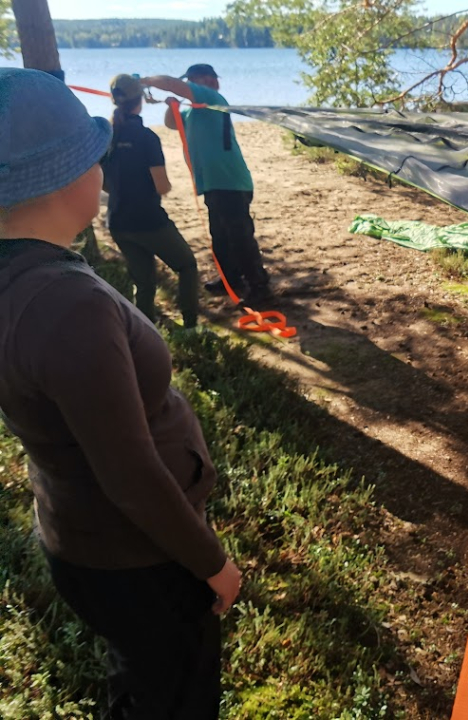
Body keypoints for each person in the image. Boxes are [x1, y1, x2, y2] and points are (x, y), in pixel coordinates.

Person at [0, 68, 241, 718]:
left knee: (140, 683)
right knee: (175, 696)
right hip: (138, 559)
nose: (102, 172)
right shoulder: (65, 306)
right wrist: (211, 562)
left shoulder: (25, 273)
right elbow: (130, 475)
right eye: (94, 159)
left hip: (85, 540)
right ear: (64, 179)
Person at [139, 64, 272, 306]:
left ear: (208, 81)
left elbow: (172, 84)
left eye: (192, 80)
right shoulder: (194, 111)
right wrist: (172, 105)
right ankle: (230, 279)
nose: (188, 85)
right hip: (213, 183)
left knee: (240, 237)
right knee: (220, 237)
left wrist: (145, 81)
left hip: (230, 181)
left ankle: (259, 286)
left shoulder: (212, 99)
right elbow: (171, 123)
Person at [101, 73, 200, 329]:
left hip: (117, 220)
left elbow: (103, 184)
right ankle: (190, 328)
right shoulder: (147, 138)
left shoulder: (106, 136)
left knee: (144, 281)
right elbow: (162, 186)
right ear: (140, 100)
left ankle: (144, 331)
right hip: (148, 220)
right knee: (187, 265)